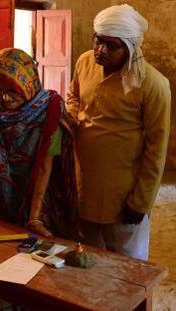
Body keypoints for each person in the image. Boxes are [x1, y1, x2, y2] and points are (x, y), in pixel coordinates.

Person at [66, 4, 171, 260]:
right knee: (88, 257)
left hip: (124, 192)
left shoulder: (153, 84)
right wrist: (70, 116)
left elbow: (157, 148)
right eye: (98, 41)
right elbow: (73, 96)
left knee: (127, 262)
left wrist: (141, 202)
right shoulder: (84, 62)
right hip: (84, 183)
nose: (100, 50)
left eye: (112, 46)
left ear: (131, 47)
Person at [0, 48, 78, 238]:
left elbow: (45, 168)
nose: (5, 98)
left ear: (29, 84)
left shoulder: (49, 111)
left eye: (13, 91)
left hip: (40, 197)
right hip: (2, 196)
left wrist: (34, 217)